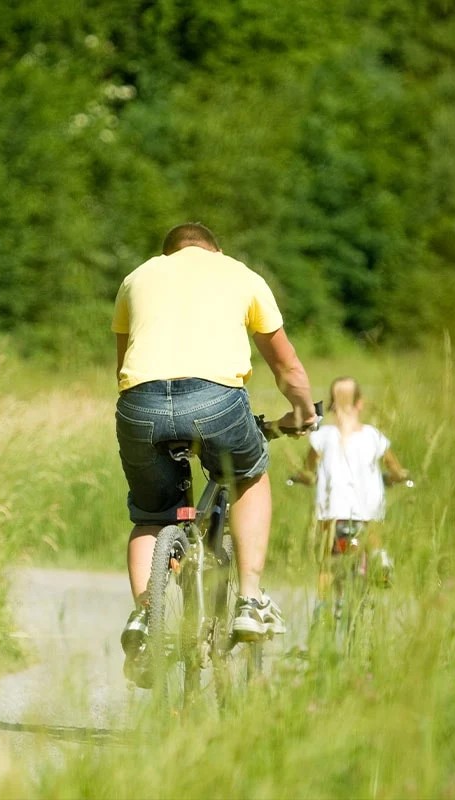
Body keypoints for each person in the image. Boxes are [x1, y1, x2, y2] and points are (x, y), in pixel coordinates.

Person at [113, 222, 317, 685]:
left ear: (167, 253)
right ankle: (249, 601)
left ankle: (146, 618)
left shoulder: (137, 277)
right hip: (215, 400)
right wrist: (303, 413)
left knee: (152, 514)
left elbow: (124, 365)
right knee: (248, 473)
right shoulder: (241, 274)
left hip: (139, 403)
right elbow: (287, 367)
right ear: (215, 250)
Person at [290, 376, 409, 587]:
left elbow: (308, 471)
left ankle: (321, 608)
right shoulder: (373, 436)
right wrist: (399, 476)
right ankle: (379, 560)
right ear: (360, 403)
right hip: (366, 510)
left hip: (331, 511)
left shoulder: (324, 436)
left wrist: (302, 477)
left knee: (326, 561)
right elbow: (394, 468)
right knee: (372, 534)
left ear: (331, 404)